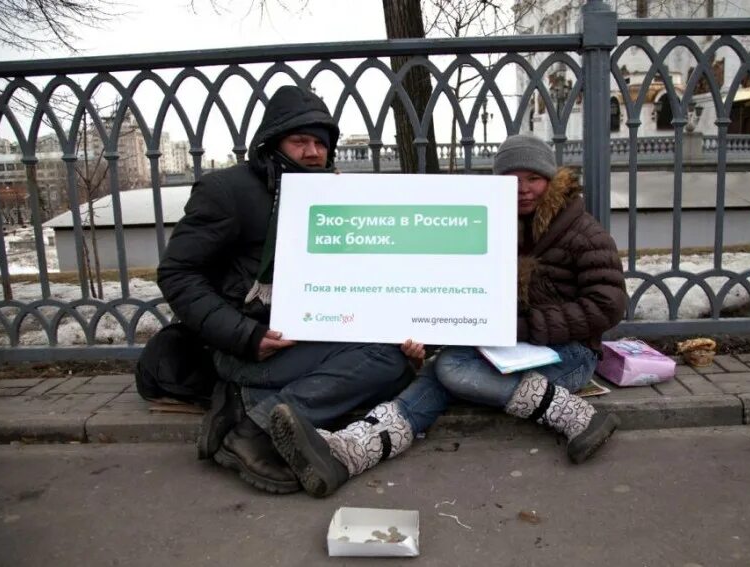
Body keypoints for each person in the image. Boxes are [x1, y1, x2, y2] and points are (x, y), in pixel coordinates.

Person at [267, 134, 628, 497]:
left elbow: (608, 305)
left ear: (551, 180)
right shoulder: (494, 223)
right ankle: (347, 453)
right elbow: (461, 293)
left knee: (451, 369)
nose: (522, 189)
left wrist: (525, 327)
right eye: (512, 180)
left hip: (571, 353)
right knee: (440, 371)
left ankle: (577, 415)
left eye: (532, 178)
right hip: (507, 345)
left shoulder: (582, 231)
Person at [156, 85, 411, 494]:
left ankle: (248, 405)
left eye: (320, 144)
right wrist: (246, 336)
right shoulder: (228, 191)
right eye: (300, 141)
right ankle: (252, 432)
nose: (312, 152)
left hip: (308, 336)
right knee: (382, 360)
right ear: (273, 142)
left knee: (394, 361)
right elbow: (178, 274)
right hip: (248, 346)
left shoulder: (336, 194)